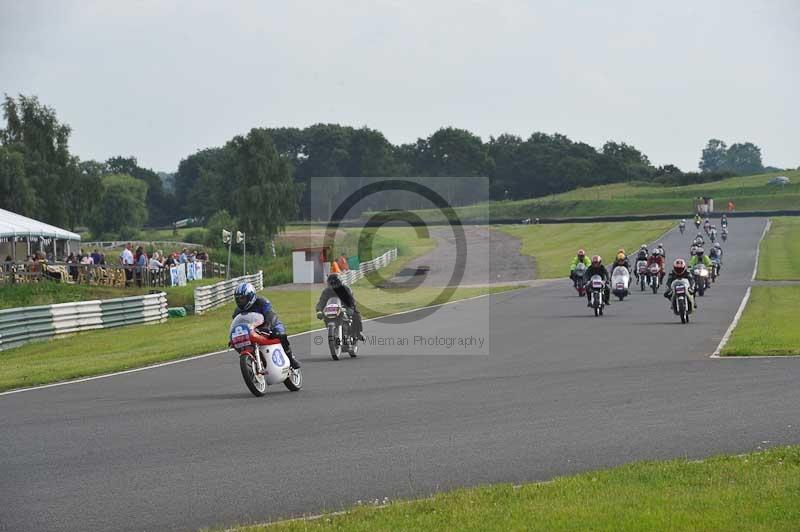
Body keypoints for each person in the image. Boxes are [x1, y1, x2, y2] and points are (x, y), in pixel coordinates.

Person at [232, 282, 301, 369]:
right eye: (238, 299)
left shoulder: (262, 301)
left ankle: (291, 359)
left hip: (270, 324)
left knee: (280, 334)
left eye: (243, 298)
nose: (240, 302)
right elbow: (237, 325)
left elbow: (270, 314)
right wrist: (233, 336)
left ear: (250, 296)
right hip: (253, 330)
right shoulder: (237, 311)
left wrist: (267, 326)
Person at [316, 273, 365, 340]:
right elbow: (321, 302)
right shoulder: (326, 291)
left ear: (340, 282)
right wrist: (319, 311)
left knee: (356, 314)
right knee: (324, 317)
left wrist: (348, 308)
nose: (333, 285)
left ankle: (358, 332)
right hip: (332, 309)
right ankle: (332, 332)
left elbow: (351, 301)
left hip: (345, 307)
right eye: (331, 283)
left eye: (335, 283)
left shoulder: (346, 289)